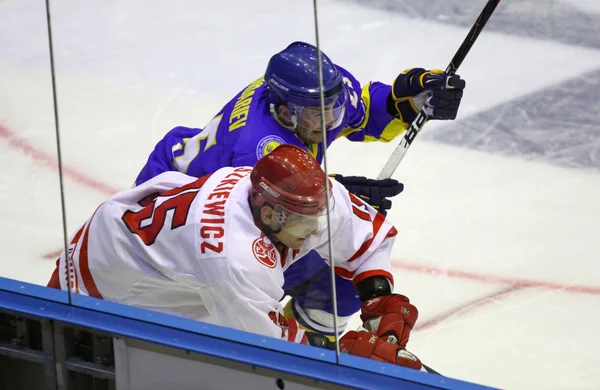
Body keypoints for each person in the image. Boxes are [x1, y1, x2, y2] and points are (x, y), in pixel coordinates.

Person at [134, 41, 466, 337]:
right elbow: (257, 207)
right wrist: (337, 196)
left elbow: (360, 113)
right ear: (283, 111)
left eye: (332, 111)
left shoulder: (318, 93)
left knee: (339, 286)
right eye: (316, 116)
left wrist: (403, 102)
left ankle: (305, 348)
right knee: (236, 293)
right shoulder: (256, 148)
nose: (329, 123)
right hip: (174, 213)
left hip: (232, 193)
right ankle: (284, 346)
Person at [47, 145, 423, 370]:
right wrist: (345, 353)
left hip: (160, 248)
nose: (316, 230)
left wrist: (380, 299)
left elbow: (365, 237)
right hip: (99, 280)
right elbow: (269, 347)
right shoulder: (233, 258)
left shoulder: (303, 194)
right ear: (272, 215)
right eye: (306, 222)